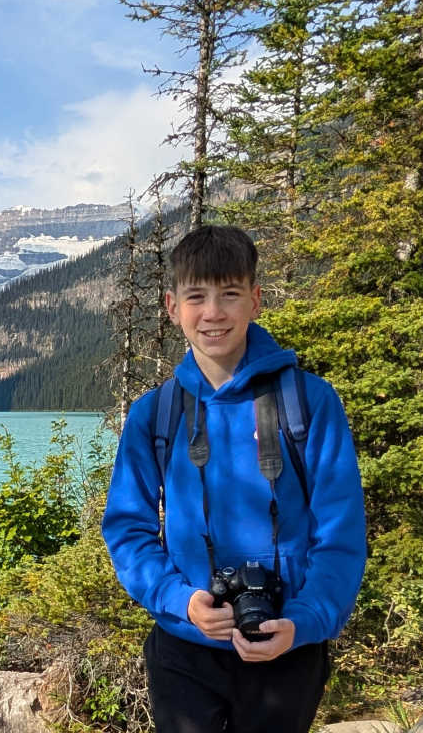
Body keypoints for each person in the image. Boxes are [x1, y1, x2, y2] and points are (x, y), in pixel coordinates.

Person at [101, 225, 366, 732]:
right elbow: (127, 531)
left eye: (230, 294)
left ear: (255, 300)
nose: (213, 312)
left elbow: (341, 536)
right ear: (171, 306)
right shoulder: (153, 414)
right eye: (196, 296)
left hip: (286, 643)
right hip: (183, 645)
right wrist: (180, 600)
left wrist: (306, 620)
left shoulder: (310, 402)